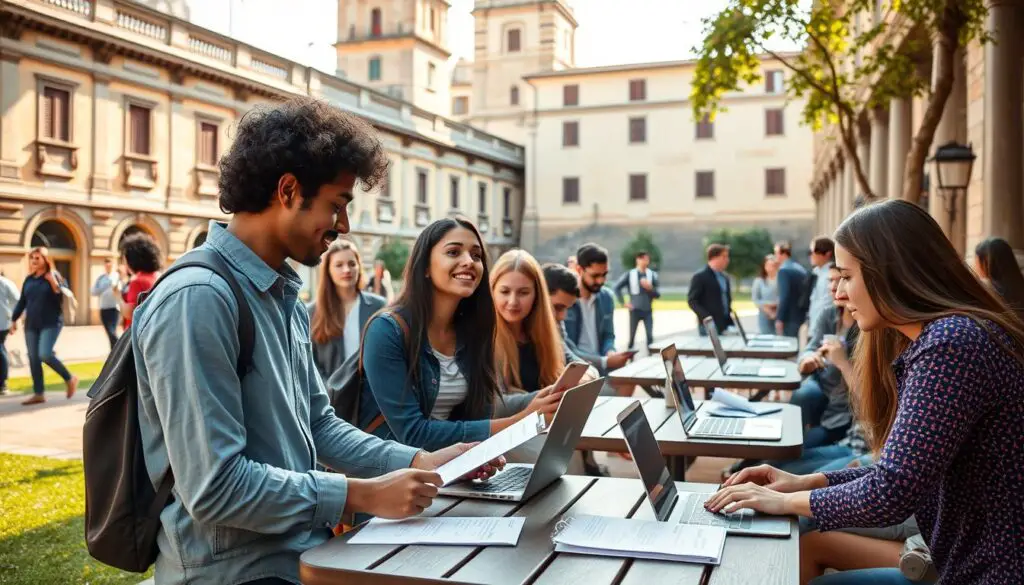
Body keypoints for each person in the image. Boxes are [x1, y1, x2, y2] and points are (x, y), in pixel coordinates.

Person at [131, 98, 499, 585]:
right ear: (288, 190)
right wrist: (359, 495)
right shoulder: (198, 299)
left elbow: (318, 426)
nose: (343, 226)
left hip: (302, 554)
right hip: (235, 572)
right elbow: (214, 488)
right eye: (338, 205)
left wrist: (418, 461)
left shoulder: (278, 294)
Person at [707, 200, 1024, 585]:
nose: (838, 294)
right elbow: (896, 472)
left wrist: (785, 501)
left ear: (889, 273)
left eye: (846, 277)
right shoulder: (947, 337)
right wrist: (801, 482)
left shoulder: (950, 344)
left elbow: (891, 491)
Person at [359, 217, 563, 451]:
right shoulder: (387, 330)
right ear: (425, 266)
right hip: (391, 475)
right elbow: (412, 434)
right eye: (454, 252)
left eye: (476, 256)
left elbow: (478, 414)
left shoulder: (475, 331)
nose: (468, 261)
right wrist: (522, 421)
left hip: (452, 466)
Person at [307, 239, 386, 382]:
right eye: (339, 265)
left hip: (372, 395)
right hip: (330, 398)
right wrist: (328, 393)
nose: (347, 270)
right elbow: (309, 363)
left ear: (359, 267)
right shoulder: (311, 312)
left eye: (351, 264)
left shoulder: (378, 306)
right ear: (328, 270)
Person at [10, 247, 78, 405]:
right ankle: (39, 393)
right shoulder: (29, 279)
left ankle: (70, 378)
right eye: (32, 258)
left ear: (45, 260)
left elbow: (63, 297)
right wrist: (13, 320)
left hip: (51, 322)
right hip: (31, 324)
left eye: (37, 258)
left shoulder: (55, 276)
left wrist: (53, 283)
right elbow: (22, 301)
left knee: (45, 354)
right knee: (33, 358)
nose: (34, 260)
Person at [564, 243, 632, 376]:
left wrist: (610, 351)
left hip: (602, 364)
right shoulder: (565, 301)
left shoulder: (606, 297)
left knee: (629, 379)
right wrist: (605, 361)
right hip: (576, 368)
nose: (601, 281)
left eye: (604, 274)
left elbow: (608, 334)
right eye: (595, 276)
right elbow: (568, 350)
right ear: (579, 270)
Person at [613, 250, 661, 351]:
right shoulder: (630, 274)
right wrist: (623, 303)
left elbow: (658, 295)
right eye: (642, 259)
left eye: (647, 259)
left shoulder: (652, 275)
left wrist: (650, 288)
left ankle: (650, 357)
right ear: (637, 260)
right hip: (635, 310)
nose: (645, 261)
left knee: (650, 337)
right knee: (632, 338)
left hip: (648, 310)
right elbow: (617, 287)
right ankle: (629, 358)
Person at [118, 232, 162, 329]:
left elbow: (130, 313)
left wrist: (118, 298)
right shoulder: (158, 276)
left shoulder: (137, 281)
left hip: (137, 333)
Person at [688, 243, 733, 336]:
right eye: (724, 257)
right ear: (714, 257)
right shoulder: (700, 277)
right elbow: (692, 301)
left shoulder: (725, 277)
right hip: (708, 326)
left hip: (724, 324)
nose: (727, 260)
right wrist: (707, 317)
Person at [974, 236, 1024, 319]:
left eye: (976, 260)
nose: (974, 265)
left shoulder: (986, 289)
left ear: (985, 261)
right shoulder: (1020, 286)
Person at [774, 241, 808, 337]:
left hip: (789, 318)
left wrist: (779, 318)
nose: (775, 256)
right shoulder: (800, 268)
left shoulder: (783, 270)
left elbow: (784, 296)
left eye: (776, 253)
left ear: (784, 254)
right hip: (801, 315)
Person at [806, 236, 836, 334]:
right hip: (815, 327)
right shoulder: (818, 273)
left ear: (827, 253)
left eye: (813, 252)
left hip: (823, 329)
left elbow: (825, 304)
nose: (810, 255)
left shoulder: (831, 275)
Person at [91, 257, 121, 348]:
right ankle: (114, 353)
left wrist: (115, 287)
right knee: (109, 332)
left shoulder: (117, 276)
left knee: (112, 332)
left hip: (114, 308)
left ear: (112, 265)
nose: (108, 266)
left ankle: (120, 348)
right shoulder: (101, 278)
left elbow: (119, 290)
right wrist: (105, 286)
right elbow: (93, 292)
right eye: (106, 264)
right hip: (103, 308)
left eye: (110, 264)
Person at [0, 269, 19, 396]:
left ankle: (2, 383)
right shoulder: (6, 283)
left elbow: (18, 301)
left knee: (0, 349)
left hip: (2, 323)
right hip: (5, 321)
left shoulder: (5, 283)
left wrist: (14, 319)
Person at [752, 254, 780, 334]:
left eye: (773, 265)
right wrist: (767, 309)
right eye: (768, 265)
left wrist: (775, 307)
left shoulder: (781, 280)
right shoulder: (759, 281)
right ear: (764, 266)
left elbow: (783, 296)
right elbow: (755, 299)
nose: (771, 267)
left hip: (778, 313)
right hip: (764, 314)